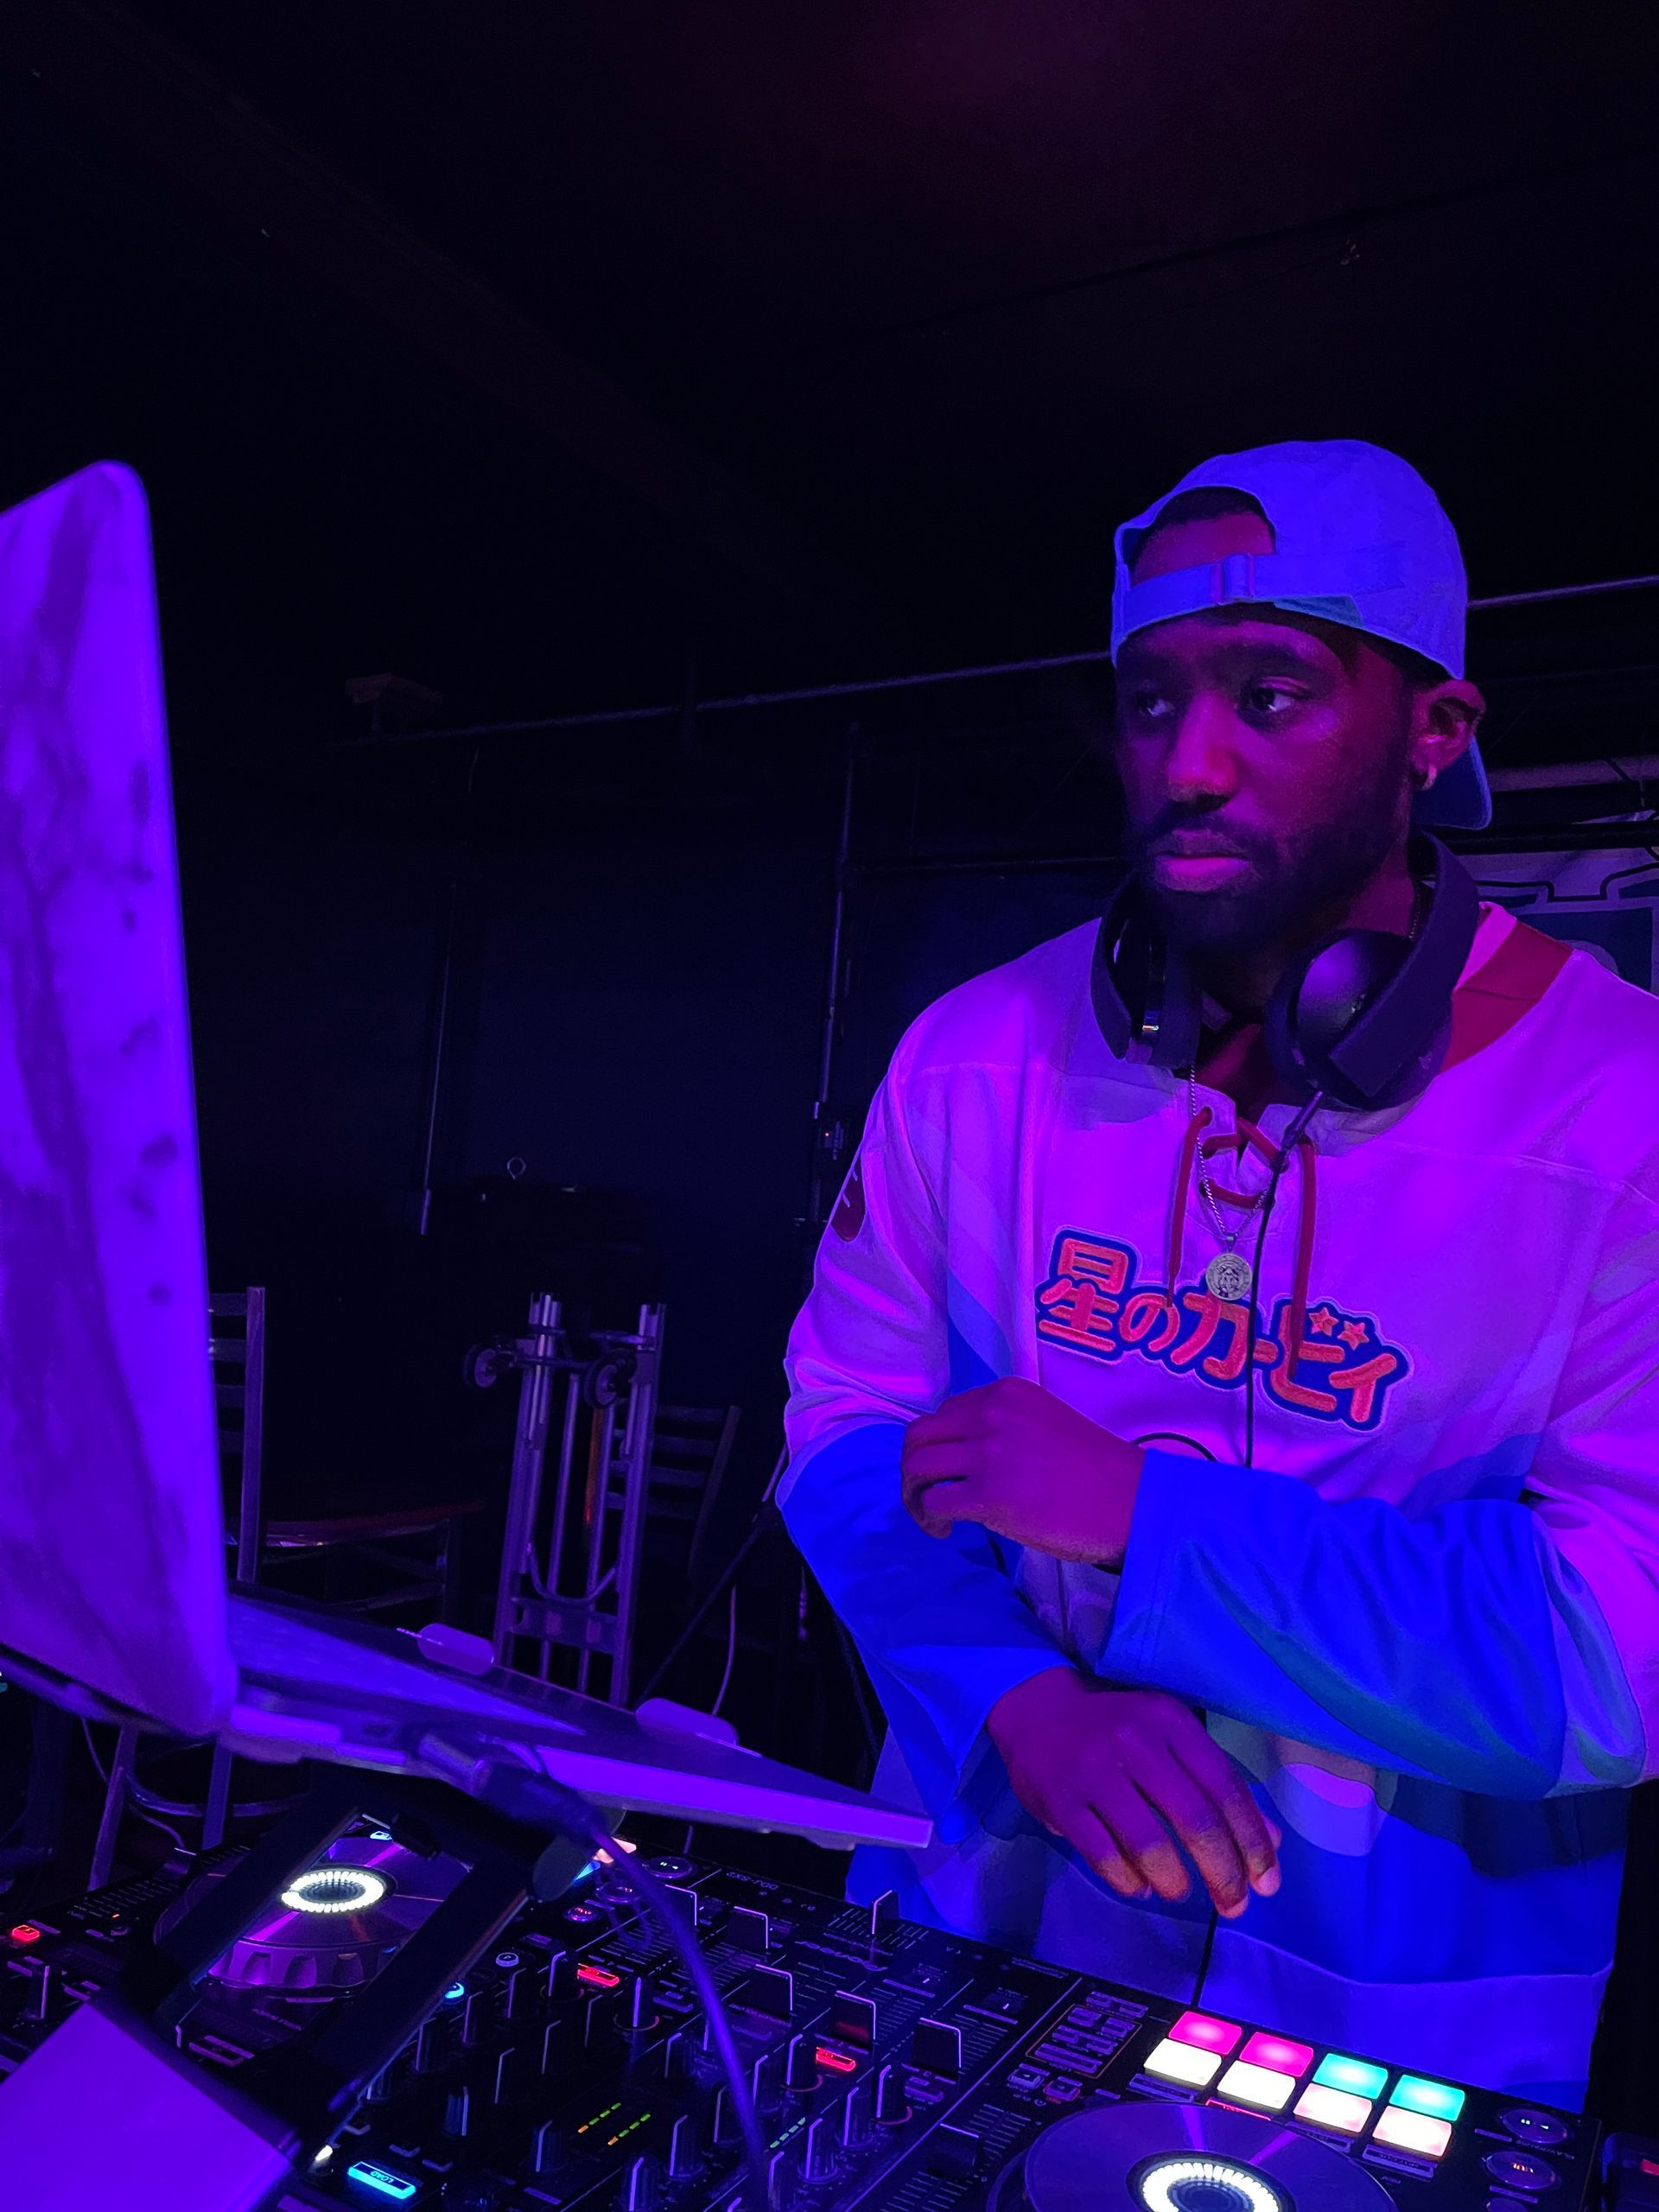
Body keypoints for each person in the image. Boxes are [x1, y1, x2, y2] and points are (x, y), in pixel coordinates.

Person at [780, 439, 1659, 2109]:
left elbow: (1616, 1662)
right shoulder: (971, 1056)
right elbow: (842, 1427)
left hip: (1385, 2034)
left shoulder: (1626, 1109)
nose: (1185, 764)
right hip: (981, 1942)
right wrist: (1017, 1700)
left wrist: (1149, 1527)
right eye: (1148, 698)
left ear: (1434, 733)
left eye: (1271, 697)